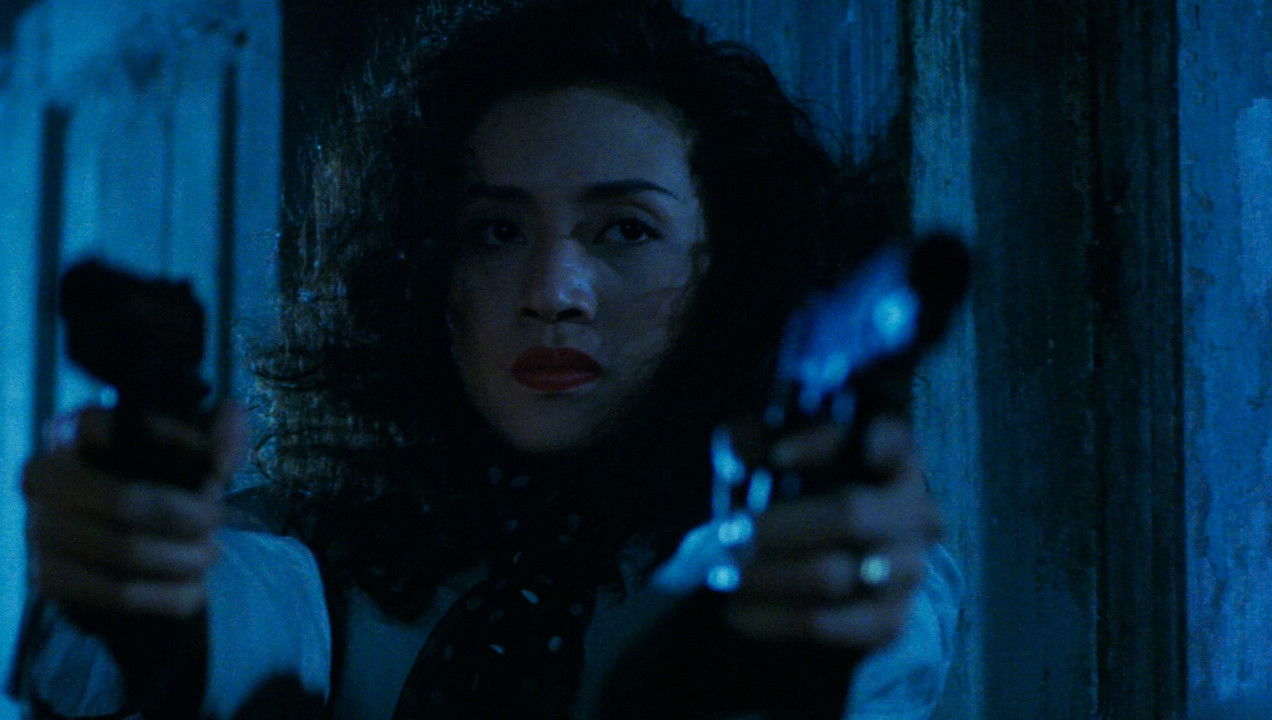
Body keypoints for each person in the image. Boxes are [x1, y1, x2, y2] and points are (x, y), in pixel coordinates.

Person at [14, 0, 960, 717]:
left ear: (727, 268)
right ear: (427, 269)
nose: (552, 291)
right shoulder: (313, 552)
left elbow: (851, 632)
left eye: (625, 229)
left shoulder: (766, 545)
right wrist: (134, 586)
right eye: (498, 232)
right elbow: (227, 616)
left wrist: (796, 604)